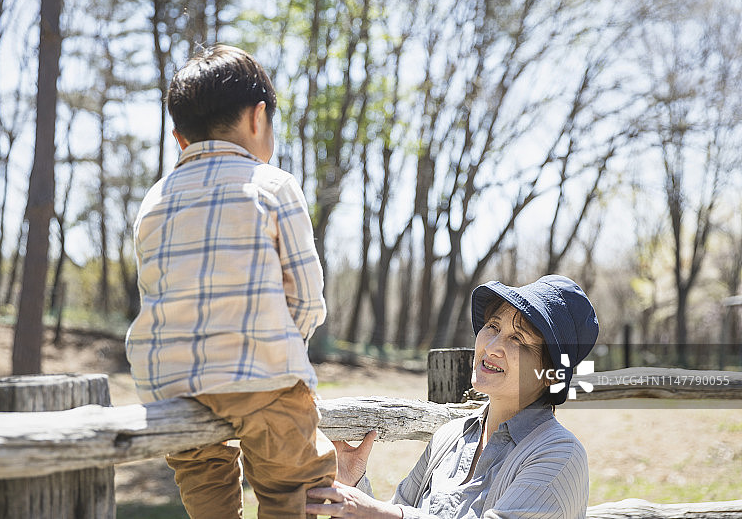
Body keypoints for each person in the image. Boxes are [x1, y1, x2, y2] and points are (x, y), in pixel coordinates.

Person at [125, 44, 336, 519]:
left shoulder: (154, 201)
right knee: (295, 485)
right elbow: (307, 298)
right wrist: (283, 347)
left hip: (169, 383)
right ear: (258, 117)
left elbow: (154, 292)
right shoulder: (273, 186)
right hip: (262, 372)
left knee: (203, 480)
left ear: (179, 137)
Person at [307, 274, 599, 518]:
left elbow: (393, 516)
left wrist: (385, 514)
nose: (492, 347)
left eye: (518, 339)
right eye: (493, 326)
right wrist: (354, 483)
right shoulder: (449, 437)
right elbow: (398, 510)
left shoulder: (560, 456)